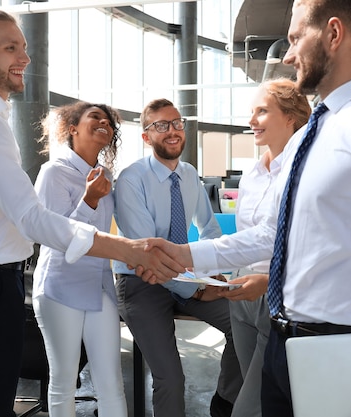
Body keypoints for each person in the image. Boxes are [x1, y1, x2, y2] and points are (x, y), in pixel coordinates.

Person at [145, 1, 351, 416]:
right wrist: (187, 255)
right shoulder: (307, 137)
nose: (288, 55)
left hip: (344, 349)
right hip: (284, 343)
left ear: (333, 33)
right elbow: (274, 234)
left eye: (295, 38)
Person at [0, 10, 182, 417]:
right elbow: (33, 219)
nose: (25, 57)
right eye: (10, 47)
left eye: (25, 47)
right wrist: (129, 250)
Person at [113, 98, 243, 417]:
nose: (171, 131)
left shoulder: (188, 175)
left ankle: (225, 401)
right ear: (146, 137)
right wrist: (196, 289)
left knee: (244, 324)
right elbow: (148, 254)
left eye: (176, 123)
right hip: (141, 281)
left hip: (184, 277)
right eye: (160, 125)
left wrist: (213, 274)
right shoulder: (131, 179)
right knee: (170, 377)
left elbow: (209, 229)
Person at [216, 78, 310, 417]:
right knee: (260, 396)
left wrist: (269, 283)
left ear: (291, 117)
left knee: (248, 407)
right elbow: (247, 235)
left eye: (262, 111)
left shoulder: (306, 170)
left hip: (276, 296)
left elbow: (306, 244)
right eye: (251, 112)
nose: (252, 121)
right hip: (240, 294)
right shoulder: (252, 175)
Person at [31, 101, 127, 417]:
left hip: (99, 286)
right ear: (73, 128)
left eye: (109, 121)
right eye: (94, 116)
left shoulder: (105, 176)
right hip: (61, 287)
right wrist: (89, 199)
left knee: (112, 382)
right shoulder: (53, 173)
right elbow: (54, 237)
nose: (104, 122)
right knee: (63, 382)